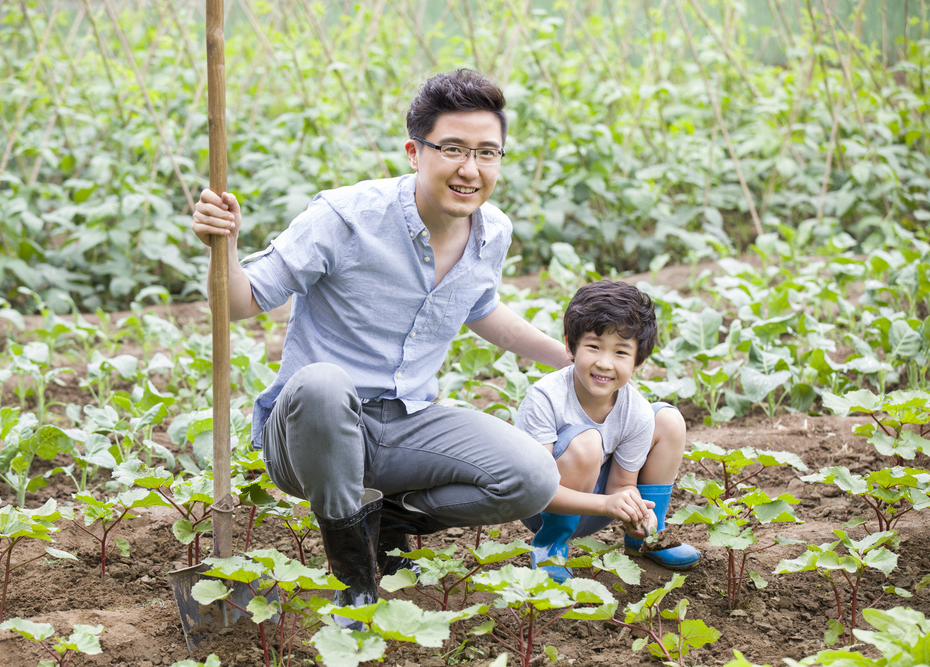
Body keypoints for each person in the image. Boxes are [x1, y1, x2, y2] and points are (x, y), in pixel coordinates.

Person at [192, 69, 570, 627]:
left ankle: (391, 517)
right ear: (415, 152)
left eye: (488, 153)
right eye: (454, 149)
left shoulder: (492, 231)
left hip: (406, 424)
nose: (471, 169)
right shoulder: (346, 217)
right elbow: (241, 302)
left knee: (534, 478)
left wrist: (567, 358)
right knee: (324, 383)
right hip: (310, 436)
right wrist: (222, 248)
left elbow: (481, 309)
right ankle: (355, 584)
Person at [515, 280, 700, 582]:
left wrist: (636, 510)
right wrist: (606, 504)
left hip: (595, 509)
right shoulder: (546, 397)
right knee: (587, 441)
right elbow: (535, 490)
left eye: (621, 352)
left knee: (669, 420)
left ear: (639, 361)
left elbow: (621, 486)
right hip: (543, 505)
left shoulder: (635, 410)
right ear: (570, 345)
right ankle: (550, 546)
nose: (604, 363)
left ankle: (648, 537)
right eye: (593, 346)